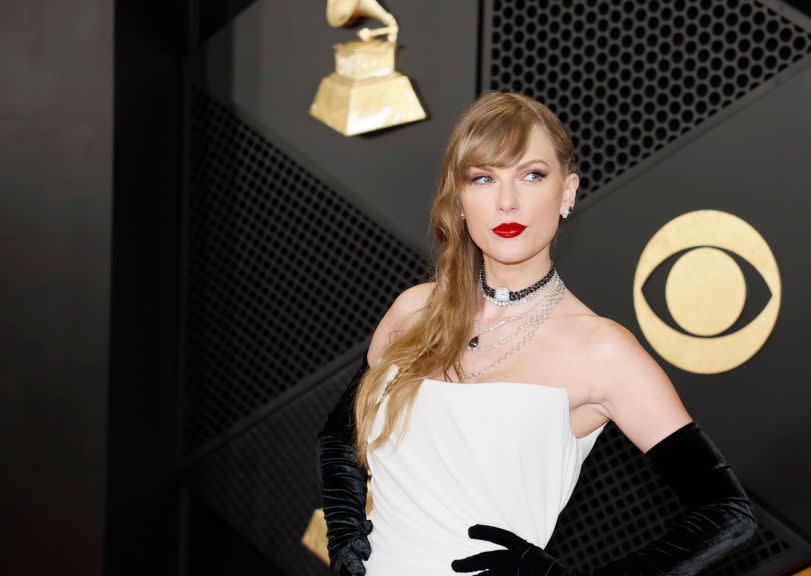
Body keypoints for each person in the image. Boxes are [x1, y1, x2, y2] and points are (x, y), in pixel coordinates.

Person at [316, 90, 758, 575]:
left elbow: (727, 514)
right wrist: (344, 533)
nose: (507, 201)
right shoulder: (414, 310)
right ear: (459, 198)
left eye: (531, 175)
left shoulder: (601, 350)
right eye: (484, 178)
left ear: (566, 192)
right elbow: (341, 434)